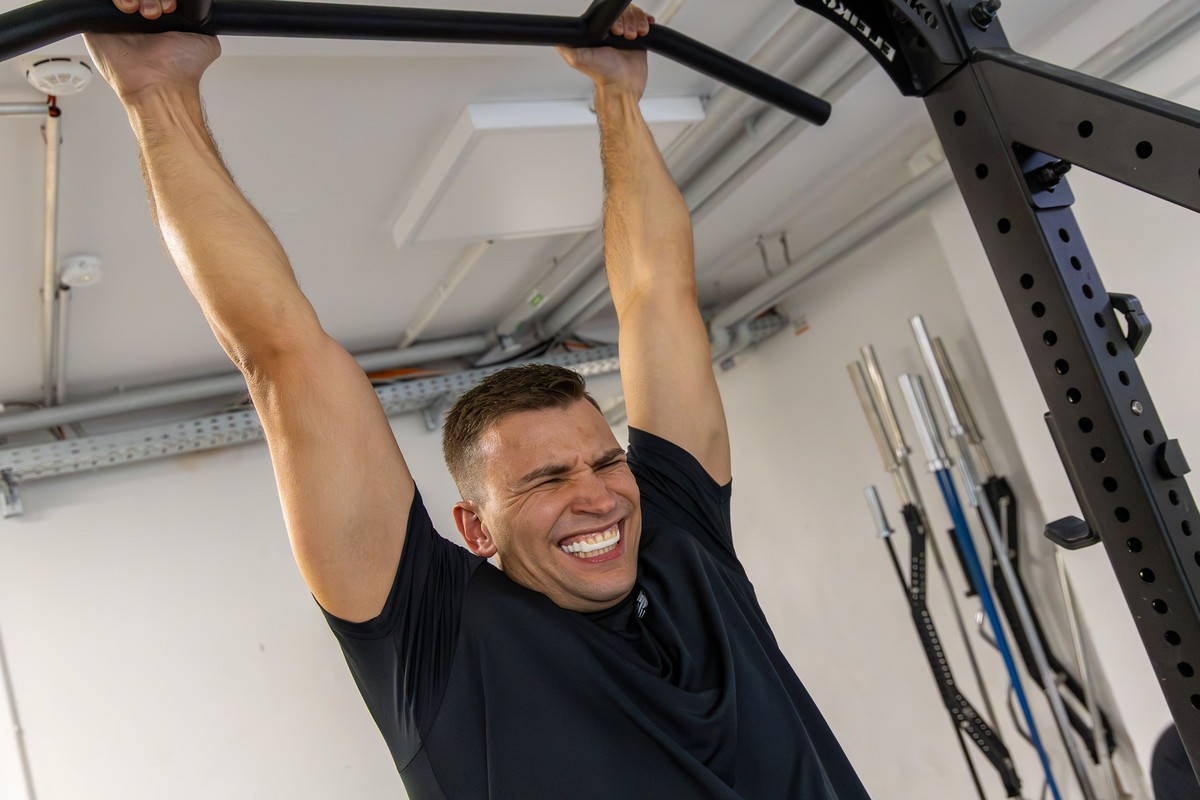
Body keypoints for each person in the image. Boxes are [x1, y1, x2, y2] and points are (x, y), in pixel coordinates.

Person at [85, 3, 869, 797]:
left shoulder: (681, 541)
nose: (596, 495)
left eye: (604, 460)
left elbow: (655, 293)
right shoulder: (437, 639)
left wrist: (617, 95)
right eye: (545, 479)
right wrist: (156, 92)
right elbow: (282, 356)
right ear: (475, 527)